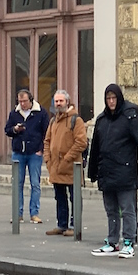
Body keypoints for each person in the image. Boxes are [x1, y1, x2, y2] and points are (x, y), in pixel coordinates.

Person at [87, 84, 138, 258]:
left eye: (114, 98)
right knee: (111, 209)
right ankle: (112, 241)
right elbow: (95, 147)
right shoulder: (102, 119)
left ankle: (128, 242)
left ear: (119, 98)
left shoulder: (130, 117)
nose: (111, 102)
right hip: (107, 171)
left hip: (125, 170)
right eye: (108, 98)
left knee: (127, 209)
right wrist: (93, 172)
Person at [43, 89, 86, 236]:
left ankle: (74, 226)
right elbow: (47, 141)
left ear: (67, 101)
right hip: (56, 167)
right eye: (56, 101)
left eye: (61, 101)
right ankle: (62, 224)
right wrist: (47, 159)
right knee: (60, 197)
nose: (58, 103)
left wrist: (67, 158)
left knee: (75, 198)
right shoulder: (53, 120)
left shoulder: (76, 120)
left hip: (71, 167)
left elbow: (81, 142)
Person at [5, 89, 50, 224]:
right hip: (18, 152)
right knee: (17, 184)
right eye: (20, 101)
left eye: (24, 101)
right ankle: (17, 214)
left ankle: (34, 213)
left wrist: (41, 150)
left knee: (35, 184)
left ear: (31, 100)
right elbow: (7, 130)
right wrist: (15, 129)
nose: (22, 104)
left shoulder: (41, 113)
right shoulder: (14, 113)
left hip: (34, 152)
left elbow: (46, 132)